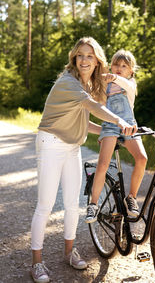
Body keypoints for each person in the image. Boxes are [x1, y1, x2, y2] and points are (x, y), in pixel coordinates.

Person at [30, 37, 135, 283]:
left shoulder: (86, 85)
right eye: (80, 55)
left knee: (71, 204)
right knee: (45, 205)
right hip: (51, 144)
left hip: (72, 147)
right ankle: (36, 263)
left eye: (89, 56)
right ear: (74, 59)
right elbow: (92, 107)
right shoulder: (68, 82)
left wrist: (110, 130)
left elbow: (82, 122)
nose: (84, 60)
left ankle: (69, 252)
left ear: (97, 60)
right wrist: (120, 122)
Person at [85, 49, 147, 224]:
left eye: (124, 66)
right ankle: (93, 204)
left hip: (128, 126)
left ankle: (131, 198)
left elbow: (127, 85)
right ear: (110, 66)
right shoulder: (105, 86)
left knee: (142, 158)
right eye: (116, 65)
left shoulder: (130, 84)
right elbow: (99, 106)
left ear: (131, 71)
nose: (119, 68)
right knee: (103, 164)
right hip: (110, 126)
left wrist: (114, 77)